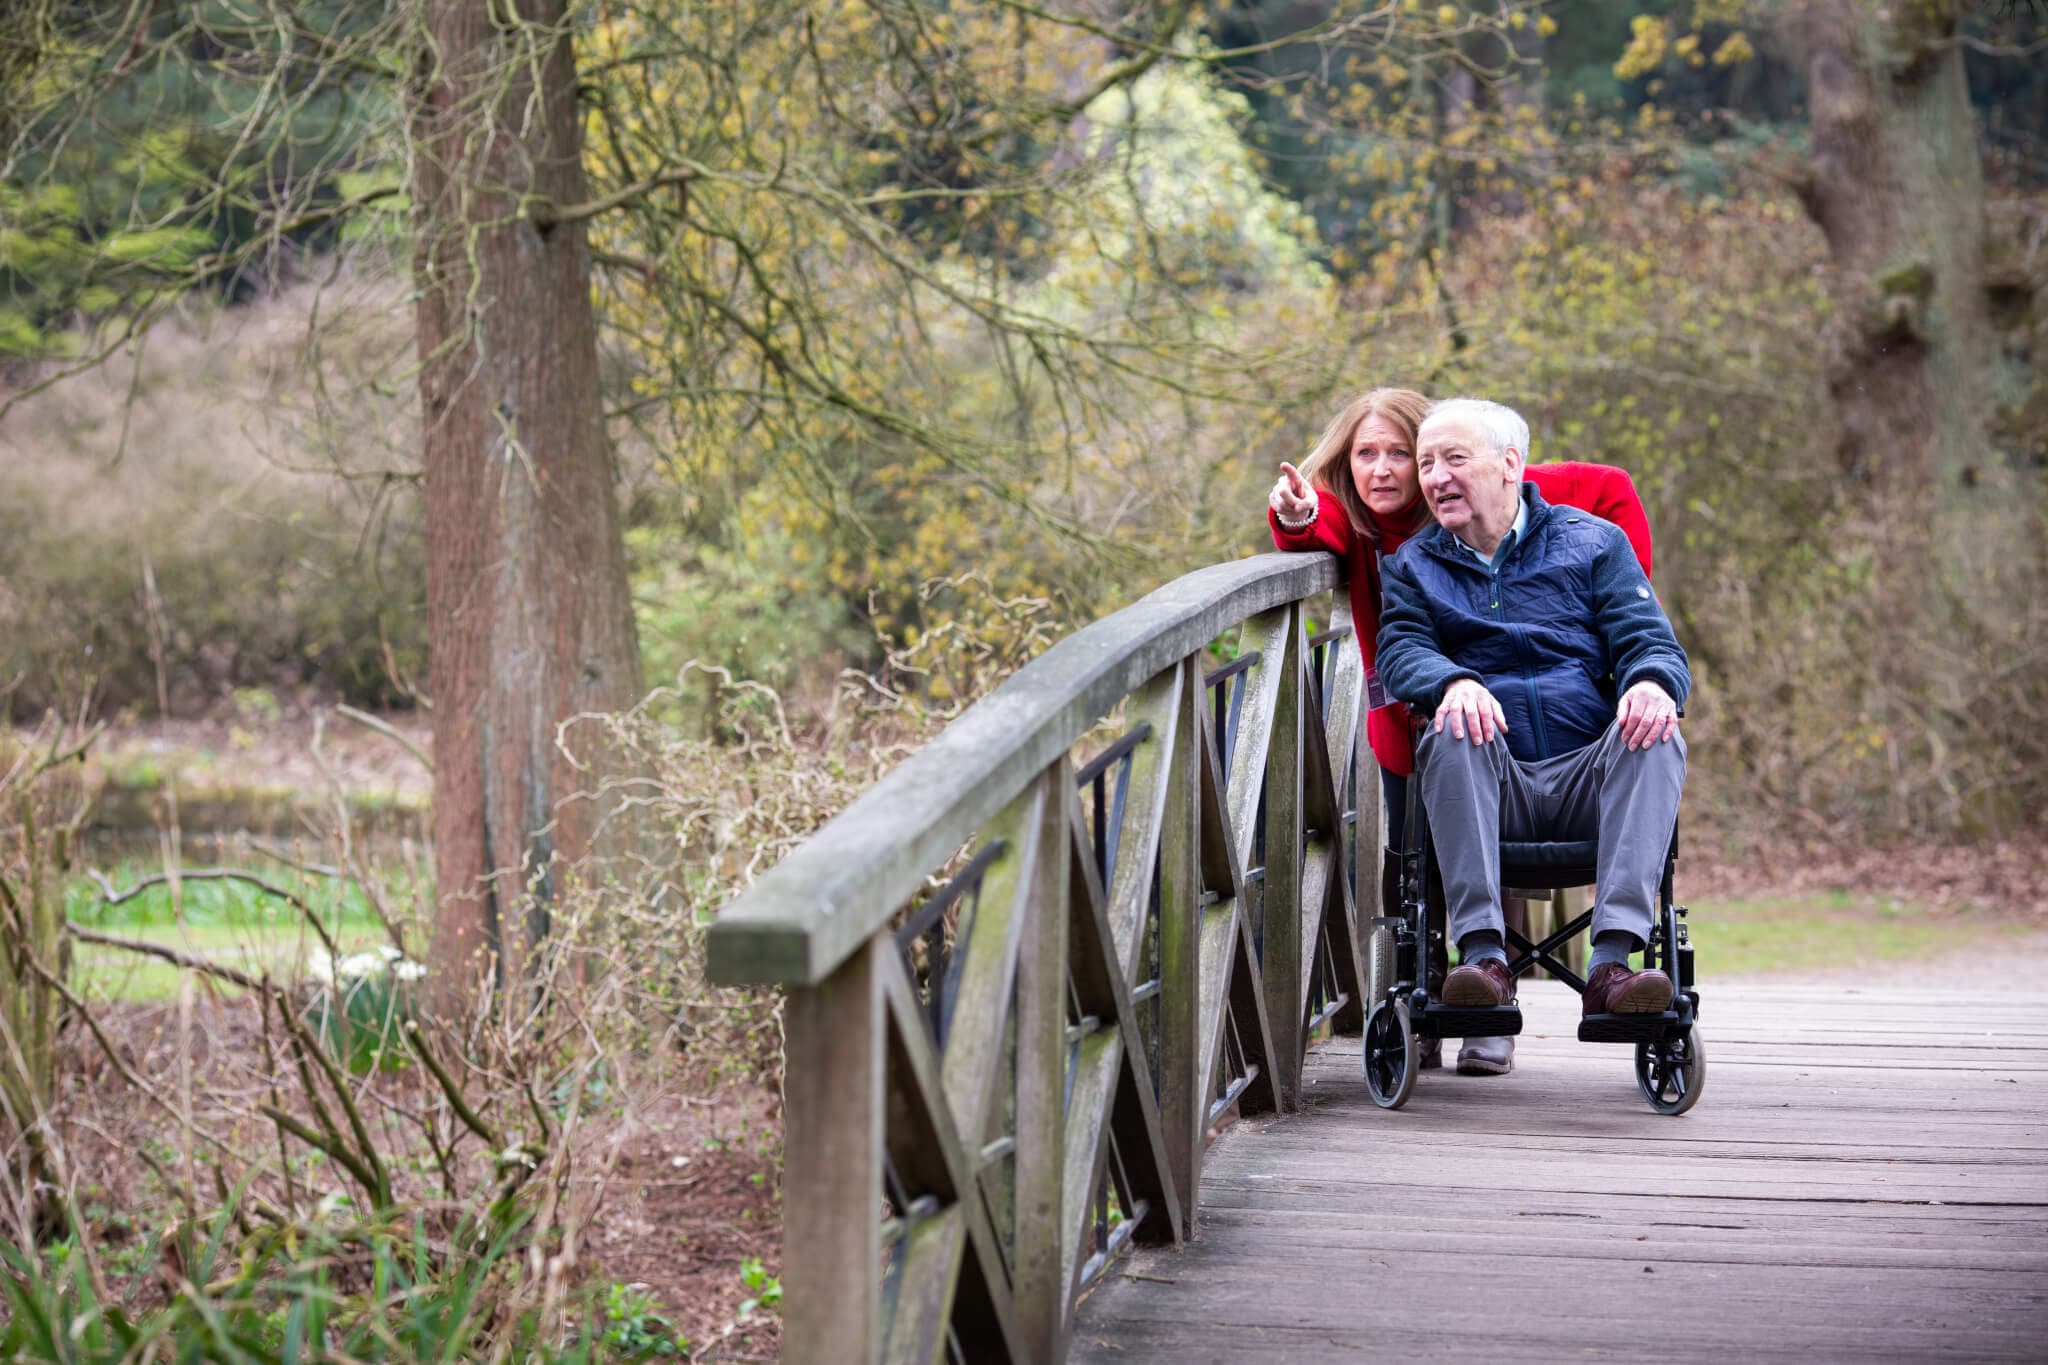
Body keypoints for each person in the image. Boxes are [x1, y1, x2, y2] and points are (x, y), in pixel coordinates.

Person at [1268, 390, 1655, 1075]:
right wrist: (1296, 517)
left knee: (1635, 737)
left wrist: (1623, 637)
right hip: (1426, 724)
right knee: (1417, 867)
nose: (1390, 470)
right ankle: (1448, 994)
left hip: (1544, 738)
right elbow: (1320, 523)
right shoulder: (1392, 545)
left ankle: (1542, 988)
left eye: (1406, 454)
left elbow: (1610, 491)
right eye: (1369, 455)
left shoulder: (1508, 500)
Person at [1375, 397, 1688, 1028]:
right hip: (1492, 779)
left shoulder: (1594, 543)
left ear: (1509, 464)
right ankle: (1484, 961)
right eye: (1428, 463)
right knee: (1451, 728)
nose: (1434, 477)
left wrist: (1652, 683)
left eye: (1454, 459)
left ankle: (1613, 966)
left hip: (1588, 780)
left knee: (1657, 733)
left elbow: (1650, 641)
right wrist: (1451, 680)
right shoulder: (1414, 564)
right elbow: (1401, 650)